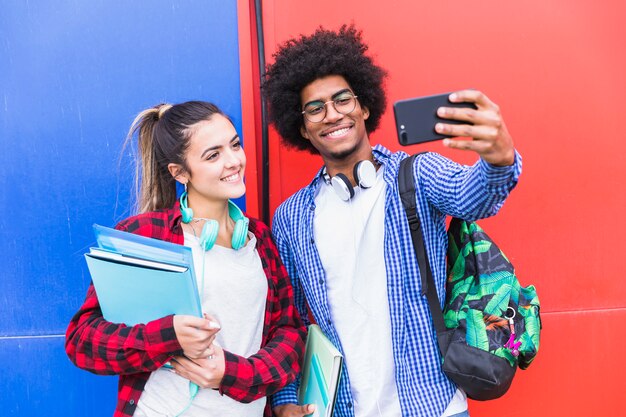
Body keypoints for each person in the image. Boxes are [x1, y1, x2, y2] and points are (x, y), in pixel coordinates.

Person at [262, 25, 522, 417]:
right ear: (302, 128)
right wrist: (285, 401)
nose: (332, 114)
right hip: (343, 409)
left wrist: (499, 159)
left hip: (433, 407)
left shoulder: (417, 175)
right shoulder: (292, 217)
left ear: (364, 106)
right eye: (315, 108)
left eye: (342, 100)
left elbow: (476, 194)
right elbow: (291, 320)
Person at [65, 101, 306, 417]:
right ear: (180, 172)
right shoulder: (145, 234)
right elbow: (83, 341)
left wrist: (235, 373)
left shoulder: (259, 239)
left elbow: (289, 332)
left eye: (235, 145)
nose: (234, 161)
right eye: (213, 155)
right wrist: (169, 335)